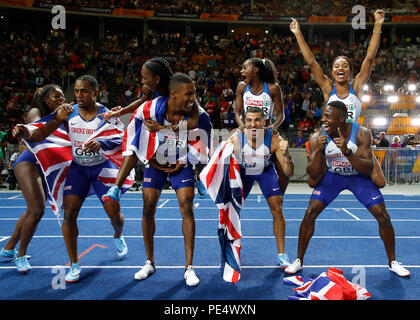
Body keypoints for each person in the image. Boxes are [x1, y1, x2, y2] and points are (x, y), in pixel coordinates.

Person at [12, 75, 128, 282]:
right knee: (69, 215)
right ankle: (75, 263)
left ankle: (118, 234)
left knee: (115, 217)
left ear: (95, 92)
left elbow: (121, 138)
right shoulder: (66, 112)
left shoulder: (108, 114)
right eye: (76, 91)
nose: (79, 95)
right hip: (79, 170)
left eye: (84, 91)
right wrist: (25, 133)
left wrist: (102, 144)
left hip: (102, 169)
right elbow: (42, 132)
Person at [285, 101, 410, 277]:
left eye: (328, 116)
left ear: (341, 118)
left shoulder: (361, 133)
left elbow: (367, 168)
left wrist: (347, 151)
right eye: (323, 116)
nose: (323, 120)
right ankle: (298, 260)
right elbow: (312, 174)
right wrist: (317, 152)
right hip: (334, 175)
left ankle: (393, 262)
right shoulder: (316, 137)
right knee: (310, 212)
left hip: (358, 176)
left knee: (383, 216)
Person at [125, 73, 211, 286]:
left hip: (181, 163)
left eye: (194, 93)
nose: (193, 97)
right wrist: (152, 161)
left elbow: (196, 136)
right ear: (173, 93)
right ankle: (149, 262)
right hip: (155, 163)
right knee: (147, 207)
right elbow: (142, 137)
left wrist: (186, 160)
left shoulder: (194, 112)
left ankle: (189, 267)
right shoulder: (153, 109)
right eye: (188, 93)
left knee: (186, 206)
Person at [290, 9, 387, 189]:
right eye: (336, 66)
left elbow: (370, 58)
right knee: (312, 182)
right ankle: (328, 163)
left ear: (349, 70)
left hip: (354, 135)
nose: (340, 68)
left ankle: (365, 158)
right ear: (332, 71)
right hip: (331, 135)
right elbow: (312, 62)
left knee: (380, 182)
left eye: (344, 66)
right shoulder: (328, 88)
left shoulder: (356, 87)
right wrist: (298, 34)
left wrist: (378, 25)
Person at [100, 57, 207, 199]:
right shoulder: (149, 91)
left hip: (187, 120)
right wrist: (119, 112)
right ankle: (116, 188)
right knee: (136, 136)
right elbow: (142, 102)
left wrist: (163, 128)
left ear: (156, 79)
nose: (142, 81)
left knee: (199, 139)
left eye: (145, 78)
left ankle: (201, 176)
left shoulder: (179, 89)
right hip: (161, 119)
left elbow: (193, 122)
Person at [0, 85, 66, 272]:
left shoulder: (61, 116)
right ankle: (21, 255)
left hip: (46, 165)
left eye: (62, 97)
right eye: (57, 97)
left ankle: (8, 248)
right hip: (28, 162)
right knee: (37, 210)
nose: (61, 100)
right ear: (46, 99)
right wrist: (58, 118)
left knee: (32, 210)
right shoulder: (35, 112)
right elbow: (37, 131)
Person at [228, 107, 294, 267]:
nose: (253, 124)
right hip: (244, 172)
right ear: (244, 122)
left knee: (277, 207)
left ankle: (282, 255)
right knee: (232, 209)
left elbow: (289, 173)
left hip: (265, 171)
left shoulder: (275, 140)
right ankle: (230, 251)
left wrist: (287, 155)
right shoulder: (235, 139)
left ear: (264, 121)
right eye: (249, 120)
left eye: (257, 120)